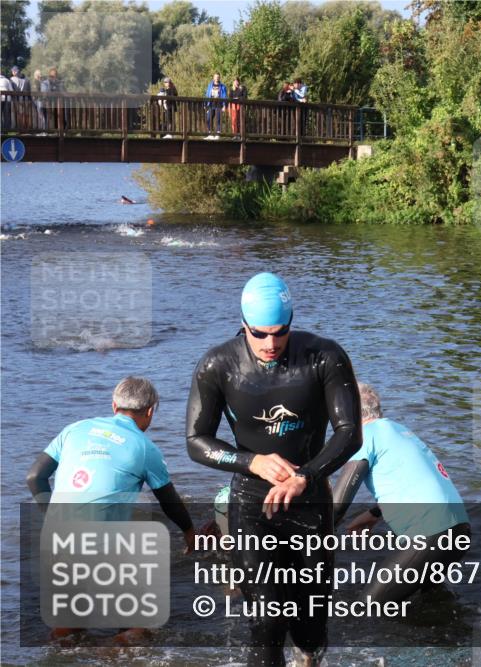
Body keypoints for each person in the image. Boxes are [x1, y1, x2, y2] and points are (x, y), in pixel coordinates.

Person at [186, 272, 362, 667]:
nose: (271, 343)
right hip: (252, 503)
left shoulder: (324, 357)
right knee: (265, 621)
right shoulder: (218, 364)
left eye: (280, 332)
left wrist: (307, 475)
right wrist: (252, 461)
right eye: (260, 333)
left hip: (310, 502)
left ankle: (308, 657)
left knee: (309, 625)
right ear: (244, 324)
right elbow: (196, 442)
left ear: (291, 322)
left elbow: (350, 434)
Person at [26, 377, 196, 640]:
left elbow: (34, 477)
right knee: (139, 625)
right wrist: (190, 533)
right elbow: (169, 501)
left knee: (71, 624)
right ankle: (114, 653)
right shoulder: (144, 447)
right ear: (150, 411)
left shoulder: (75, 429)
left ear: (114, 405)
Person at [332, 383, 471, 603]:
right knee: (433, 601)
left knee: (369, 607)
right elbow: (414, 480)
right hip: (459, 529)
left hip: (430, 534)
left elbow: (337, 504)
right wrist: (374, 514)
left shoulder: (363, 437)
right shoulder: (398, 430)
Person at [40, 68, 66, 132]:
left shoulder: (59, 83)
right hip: (46, 103)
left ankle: (59, 131)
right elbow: (44, 92)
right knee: (46, 118)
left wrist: (57, 85)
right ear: (49, 76)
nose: (53, 77)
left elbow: (62, 92)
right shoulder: (44, 83)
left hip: (56, 103)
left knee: (60, 115)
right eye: (52, 76)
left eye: (55, 76)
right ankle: (46, 131)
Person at [203, 73, 227, 139]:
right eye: (215, 77)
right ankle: (210, 133)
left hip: (219, 104)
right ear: (213, 78)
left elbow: (225, 96)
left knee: (218, 119)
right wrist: (205, 104)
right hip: (211, 104)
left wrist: (224, 105)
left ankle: (218, 133)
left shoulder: (222, 86)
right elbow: (207, 94)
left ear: (219, 78)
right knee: (208, 118)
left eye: (218, 77)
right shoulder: (210, 85)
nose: (217, 78)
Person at [10, 65, 29, 130]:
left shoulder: (12, 79)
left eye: (13, 71)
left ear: (14, 72)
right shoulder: (26, 80)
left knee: (17, 114)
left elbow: (11, 90)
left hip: (16, 99)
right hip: (25, 99)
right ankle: (25, 128)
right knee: (24, 114)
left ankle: (18, 128)